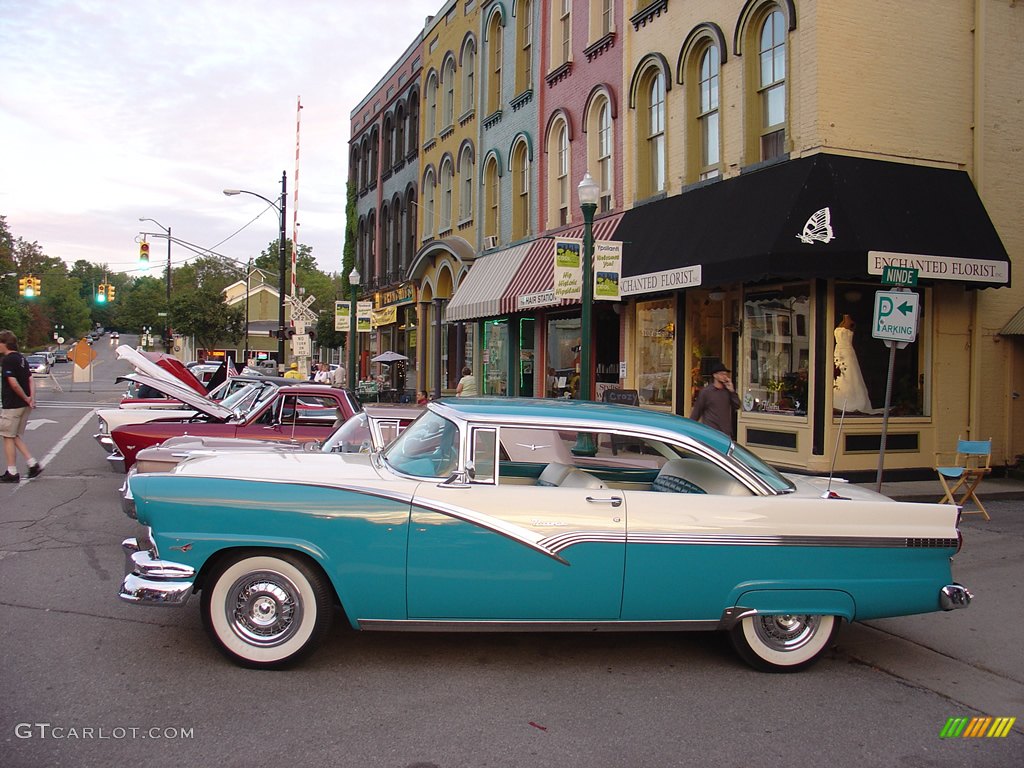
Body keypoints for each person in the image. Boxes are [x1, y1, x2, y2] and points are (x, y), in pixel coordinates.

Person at [0, 330, 43, 482]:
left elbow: (13, 383)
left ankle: (12, 472)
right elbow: (30, 379)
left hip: (12, 404)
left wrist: (25, 397)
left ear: (4, 344)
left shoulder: (8, 360)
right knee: (14, 435)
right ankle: (32, 464)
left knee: (7, 436)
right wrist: (31, 398)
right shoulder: (21, 359)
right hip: (23, 405)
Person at [833, 313, 876, 413]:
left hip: (846, 351)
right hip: (838, 350)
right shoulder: (842, 323)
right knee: (838, 375)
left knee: (849, 374)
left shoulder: (851, 324)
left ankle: (853, 401)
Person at [689, 362, 740, 439]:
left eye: (726, 374)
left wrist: (732, 391)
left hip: (725, 434)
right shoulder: (706, 392)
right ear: (715, 375)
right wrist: (690, 429)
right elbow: (697, 412)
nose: (725, 376)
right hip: (711, 433)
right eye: (722, 374)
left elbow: (737, 405)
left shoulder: (727, 391)